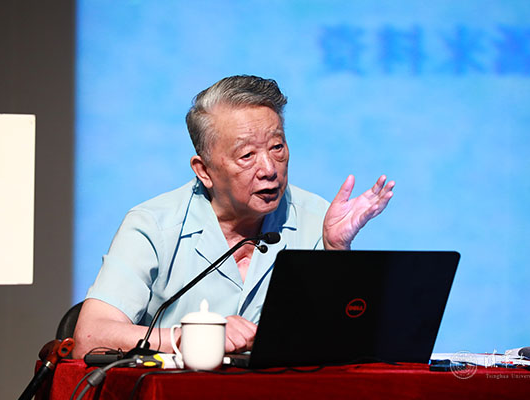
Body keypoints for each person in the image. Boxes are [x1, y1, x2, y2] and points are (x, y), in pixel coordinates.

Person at [72, 75, 394, 358]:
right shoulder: (153, 226)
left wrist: (337, 253)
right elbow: (90, 337)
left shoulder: (318, 220)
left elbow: (349, 343)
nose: (269, 169)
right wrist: (191, 338)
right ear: (204, 171)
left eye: (277, 147)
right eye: (247, 155)